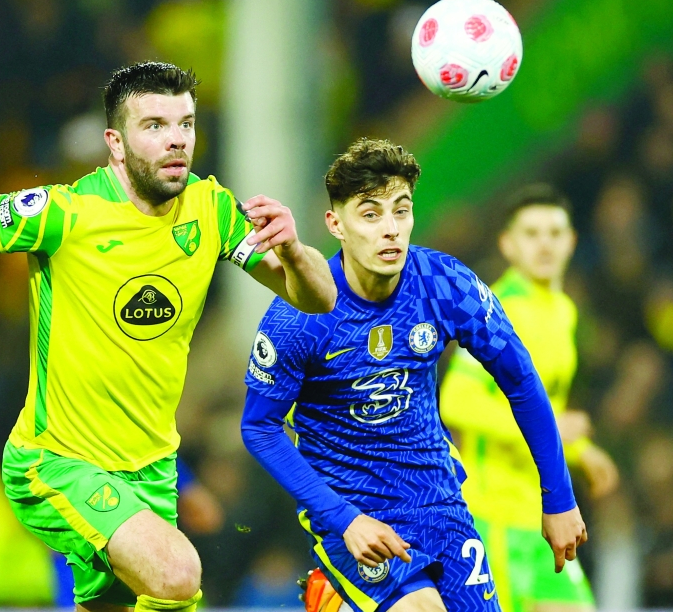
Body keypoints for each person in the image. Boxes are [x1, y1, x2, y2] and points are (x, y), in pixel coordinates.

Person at [0, 62, 337, 612]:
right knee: (176, 572)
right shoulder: (65, 214)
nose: (176, 140)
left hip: (152, 474)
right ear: (116, 144)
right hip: (56, 464)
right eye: (155, 126)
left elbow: (317, 298)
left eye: (185, 124)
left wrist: (294, 251)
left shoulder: (211, 209)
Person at [240, 139, 586, 612]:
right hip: (354, 513)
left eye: (400, 211)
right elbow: (259, 427)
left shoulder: (444, 283)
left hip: (441, 503)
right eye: (370, 214)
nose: (390, 229)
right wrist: (343, 519)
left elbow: (521, 381)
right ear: (336, 224)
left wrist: (559, 498)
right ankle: (336, 586)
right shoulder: (299, 315)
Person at [439, 185, 619, 612]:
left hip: (544, 511)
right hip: (495, 517)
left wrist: (580, 450)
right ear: (508, 244)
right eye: (531, 234)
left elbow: (541, 404)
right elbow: (457, 401)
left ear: (572, 241)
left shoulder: (563, 310)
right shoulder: (496, 310)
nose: (544, 245)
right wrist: (556, 427)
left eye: (554, 233)